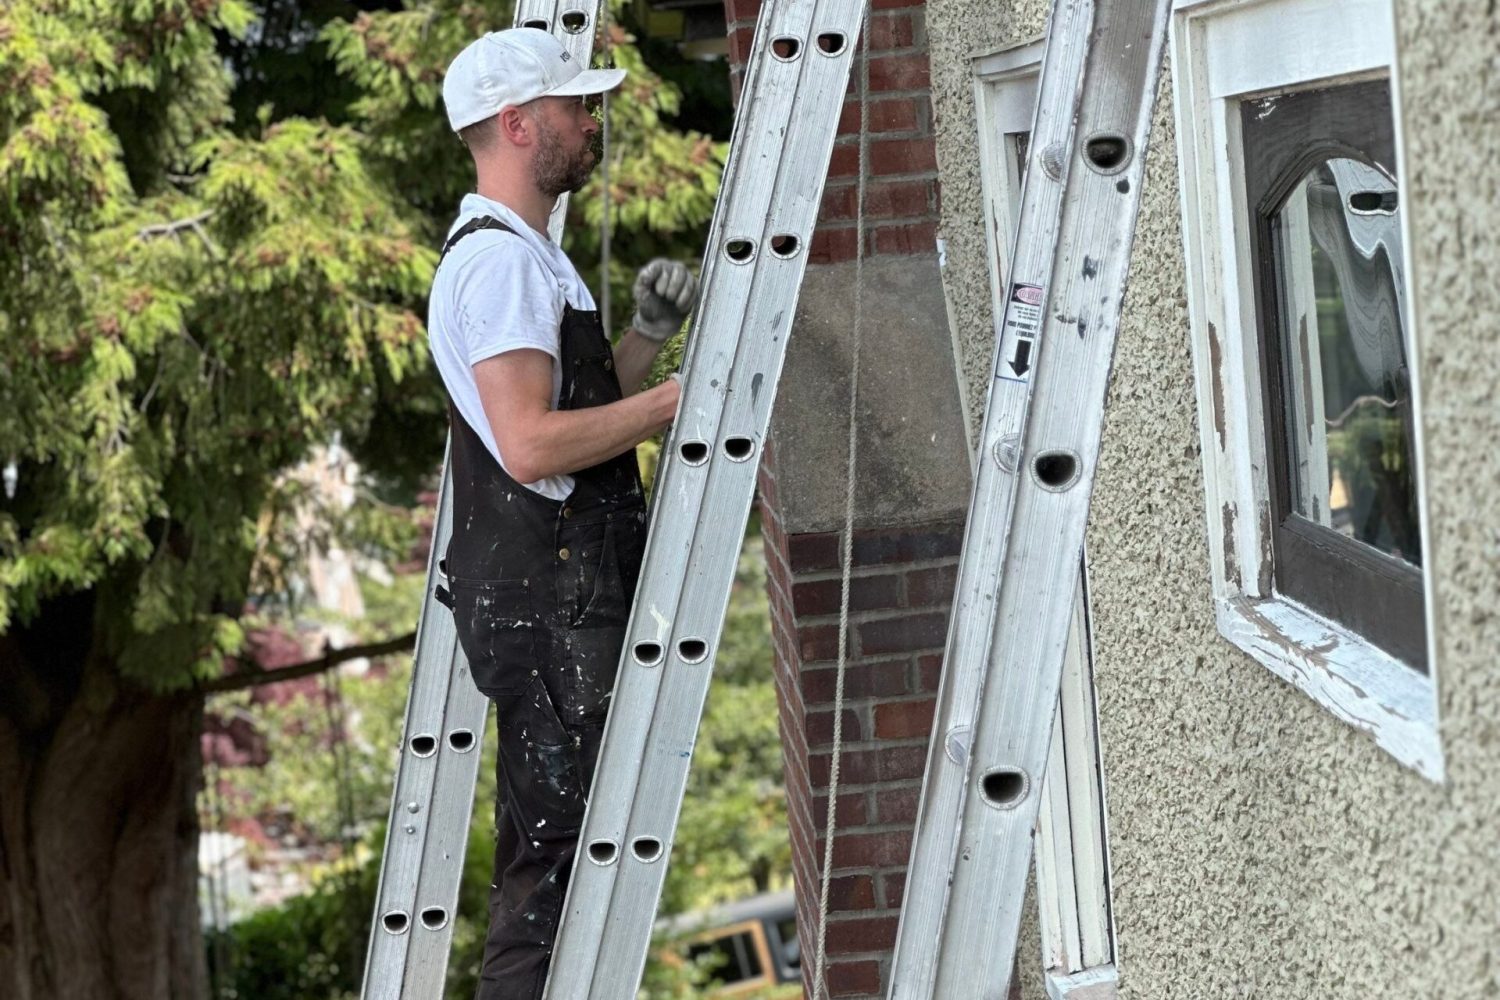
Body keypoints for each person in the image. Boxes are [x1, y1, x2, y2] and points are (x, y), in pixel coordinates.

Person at [426, 27, 698, 1000]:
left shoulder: (531, 256)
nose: (592, 125)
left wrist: (646, 341)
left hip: (561, 599)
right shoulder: (499, 266)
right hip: (550, 610)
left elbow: (573, 424)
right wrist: (676, 403)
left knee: (572, 864)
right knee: (550, 885)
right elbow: (532, 445)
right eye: (576, 108)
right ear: (517, 123)